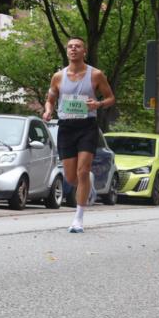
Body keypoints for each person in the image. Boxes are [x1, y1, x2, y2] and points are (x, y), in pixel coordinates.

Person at [42, 37, 116, 233]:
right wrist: (48, 111)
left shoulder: (96, 75)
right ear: (67, 51)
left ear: (85, 51)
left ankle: (78, 219)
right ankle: (87, 185)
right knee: (71, 177)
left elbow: (110, 98)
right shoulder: (58, 77)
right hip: (66, 127)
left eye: (78, 46)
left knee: (83, 171)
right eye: (70, 47)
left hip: (87, 127)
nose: (73, 49)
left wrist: (98, 104)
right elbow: (50, 100)